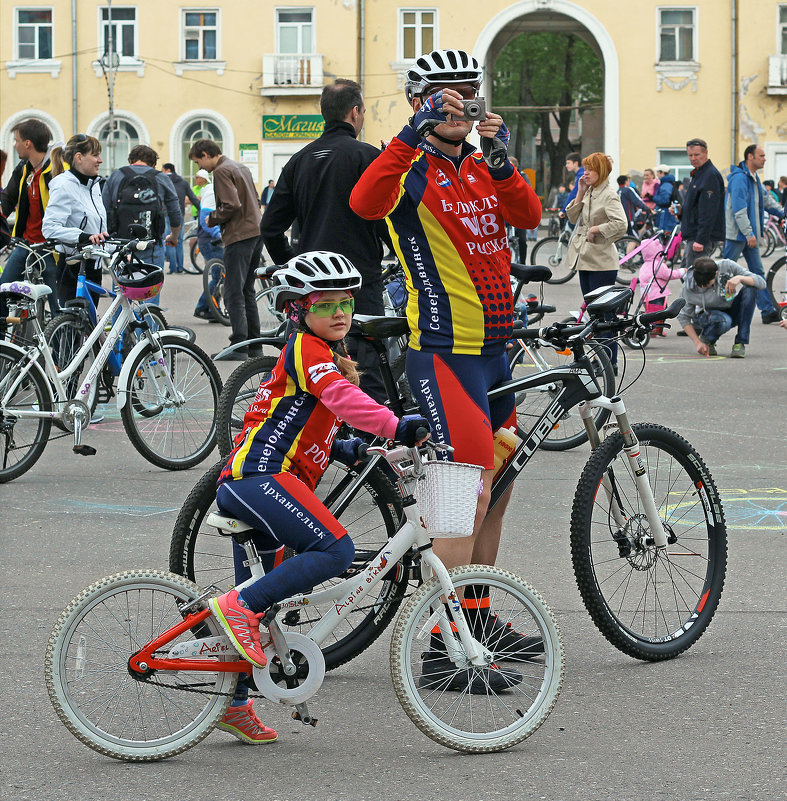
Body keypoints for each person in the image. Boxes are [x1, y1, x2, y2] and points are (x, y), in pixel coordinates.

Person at [351, 48, 543, 691]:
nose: (458, 104)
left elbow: (528, 217)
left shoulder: (482, 163)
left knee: (499, 492)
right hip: (443, 352)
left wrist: (505, 162)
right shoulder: (407, 167)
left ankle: (478, 620)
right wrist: (412, 133)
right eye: (443, 95)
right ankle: (443, 646)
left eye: (466, 93)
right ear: (419, 100)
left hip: (498, 352)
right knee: (465, 497)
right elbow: (363, 201)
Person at [208, 251, 430, 742]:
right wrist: (396, 425)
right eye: (324, 303)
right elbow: (342, 400)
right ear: (298, 311)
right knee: (335, 551)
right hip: (260, 478)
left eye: (346, 302)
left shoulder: (325, 355)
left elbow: (311, 429)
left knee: (264, 601)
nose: (339, 312)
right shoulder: (307, 349)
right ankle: (239, 609)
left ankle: (235, 704)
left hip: (261, 482)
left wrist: (361, 450)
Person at [260, 79, 391, 402]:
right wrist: (396, 252)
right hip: (358, 281)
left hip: (311, 286)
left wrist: (293, 263)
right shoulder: (368, 157)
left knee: (308, 367)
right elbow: (389, 218)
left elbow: (270, 227)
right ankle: (370, 446)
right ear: (355, 112)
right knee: (367, 370)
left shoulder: (300, 160)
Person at [190, 139, 263, 359]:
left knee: (233, 291)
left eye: (198, 162)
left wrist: (212, 218)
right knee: (247, 290)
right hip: (256, 232)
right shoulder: (239, 166)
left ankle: (239, 345)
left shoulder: (221, 171)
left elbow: (231, 205)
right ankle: (254, 346)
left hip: (239, 235)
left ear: (205, 154)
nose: (200, 168)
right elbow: (255, 199)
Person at [565, 152, 628, 373]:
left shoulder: (609, 195)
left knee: (605, 317)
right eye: (584, 169)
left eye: (590, 169)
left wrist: (598, 229)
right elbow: (572, 217)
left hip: (602, 262)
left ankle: (609, 362)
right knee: (594, 315)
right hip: (585, 259)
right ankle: (601, 358)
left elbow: (621, 224)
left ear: (600, 171)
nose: (585, 173)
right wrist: (580, 192)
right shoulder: (590, 192)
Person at [102, 145, 182, 304]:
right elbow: (175, 212)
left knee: (121, 297)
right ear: (153, 164)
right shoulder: (160, 177)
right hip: (151, 244)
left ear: (130, 161)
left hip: (121, 244)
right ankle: (149, 327)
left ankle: (121, 328)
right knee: (149, 298)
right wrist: (174, 236)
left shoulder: (116, 176)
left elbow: (103, 209)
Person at [0, 119, 59, 327]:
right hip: (26, 244)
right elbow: (7, 199)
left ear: (28, 144)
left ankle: (63, 355)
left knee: (57, 306)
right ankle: (4, 349)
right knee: (3, 290)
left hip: (51, 249)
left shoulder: (56, 169)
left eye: (16, 141)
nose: (14, 145)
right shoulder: (24, 168)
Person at [723, 144, 785, 325]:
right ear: (750, 157)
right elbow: (739, 210)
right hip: (738, 236)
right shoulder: (739, 179)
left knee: (757, 272)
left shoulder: (754, 178)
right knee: (725, 273)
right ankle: (720, 308)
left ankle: (767, 311)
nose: (764, 158)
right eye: (762, 155)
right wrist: (749, 233)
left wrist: (783, 213)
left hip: (749, 236)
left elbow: (767, 202)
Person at [43, 135, 108, 303]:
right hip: (73, 268)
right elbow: (49, 228)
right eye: (95, 155)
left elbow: (97, 229)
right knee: (74, 325)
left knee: (89, 325)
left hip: (94, 266)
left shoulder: (93, 186)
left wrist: (114, 248)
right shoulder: (64, 185)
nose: (100, 160)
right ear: (79, 157)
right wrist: (82, 237)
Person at [677, 256, 765, 358]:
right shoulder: (688, 286)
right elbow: (683, 316)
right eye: (699, 284)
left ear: (716, 274)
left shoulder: (726, 265)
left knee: (750, 289)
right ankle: (707, 338)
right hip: (708, 316)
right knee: (724, 321)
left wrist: (740, 278)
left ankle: (740, 342)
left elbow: (761, 283)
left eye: (706, 284)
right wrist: (698, 343)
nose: (702, 287)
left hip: (731, 309)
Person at [680, 138, 725, 268]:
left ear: (706, 153)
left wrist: (701, 240)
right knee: (686, 274)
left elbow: (709, 211)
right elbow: (696, 206)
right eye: (690, 155)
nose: (693, 158)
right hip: (693, 234)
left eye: (697, 155)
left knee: (695, 280)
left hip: (700, 238)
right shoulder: (699, 173)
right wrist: (681, 211)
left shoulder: (709, 175)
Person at [633, 236, 684, 336]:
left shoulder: (644, 266)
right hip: (657, 295)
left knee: (652, 313)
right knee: (662, 312)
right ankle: (655, 329)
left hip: (647, 296)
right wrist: (682, 272)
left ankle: (655, 329)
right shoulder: (658, 265)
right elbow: (669, 274)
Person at [192, 179, 224, 320]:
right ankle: (204, 307)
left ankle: (211, 308)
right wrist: (219, 235)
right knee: (218, 276)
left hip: (209, 241)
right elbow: (205, 219)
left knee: (220, 276)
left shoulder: (213, 190)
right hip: (211, 242)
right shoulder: (212, 193)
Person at [161, 163, 201, 274]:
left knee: (169, 239)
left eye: (163, 170)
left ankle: (172, 268)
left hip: (166, 213)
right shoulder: (183, 182)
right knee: (179, 240)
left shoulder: (163, 180)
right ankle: (180, 267)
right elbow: (193, 198)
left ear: (167, 170)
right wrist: (200, 210)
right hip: (180, 214)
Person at [652, 165, 679, 230]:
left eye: (658, 172)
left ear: (662, 172)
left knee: (664, 233)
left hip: (665, 213)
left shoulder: (665, 184)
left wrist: (652, 198)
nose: (657, 174)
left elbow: (664, 200)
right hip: (668, 212)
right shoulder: (668, 183)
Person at [561, 152, 584, 216]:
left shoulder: (581, 175)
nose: (566, 165)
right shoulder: (581, 173)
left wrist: (564, 210)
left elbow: (574, 193)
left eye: (568, 163)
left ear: (576, 163)